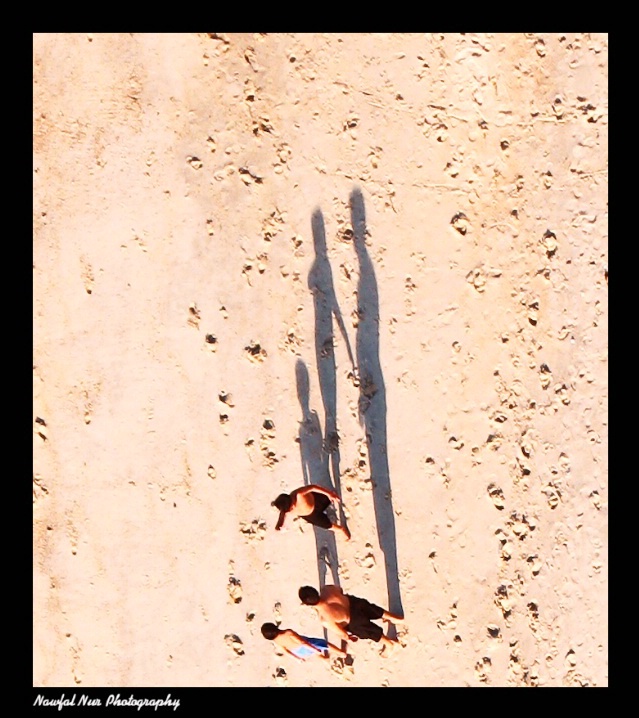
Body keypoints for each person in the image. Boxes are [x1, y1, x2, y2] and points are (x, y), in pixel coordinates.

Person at [298, 584, 404, 652]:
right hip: (354, 603)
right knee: (374, 610)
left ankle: (389, 644)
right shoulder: (326, 589)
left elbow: (341, 632)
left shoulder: (324, 618)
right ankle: (395, 618)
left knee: (372, 632)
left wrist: (348, 638)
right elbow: (339, 589)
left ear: (307, 604)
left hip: (353, 621)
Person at [272, 484, 350, 540]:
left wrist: (329, 494)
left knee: (330, 498)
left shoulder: (299, 494)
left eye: (292, 506)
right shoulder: (285, 509)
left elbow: (312, 487)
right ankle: (341, 529)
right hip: (310, 516)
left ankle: (331, 494)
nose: (293, 508)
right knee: (327, 525)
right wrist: (280, 528)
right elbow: (279, 524)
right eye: (290, 509)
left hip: (317, 501)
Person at [260, 622, 347, 662]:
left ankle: (324, 659)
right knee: (324, 644)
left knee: (313, 653)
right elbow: (302, 642)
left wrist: (298, 659)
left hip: (299, 653)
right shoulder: (288, 632)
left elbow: (286, 652)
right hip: (305, 645)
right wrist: (314, 649)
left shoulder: (277, 642)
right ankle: (341, 653)